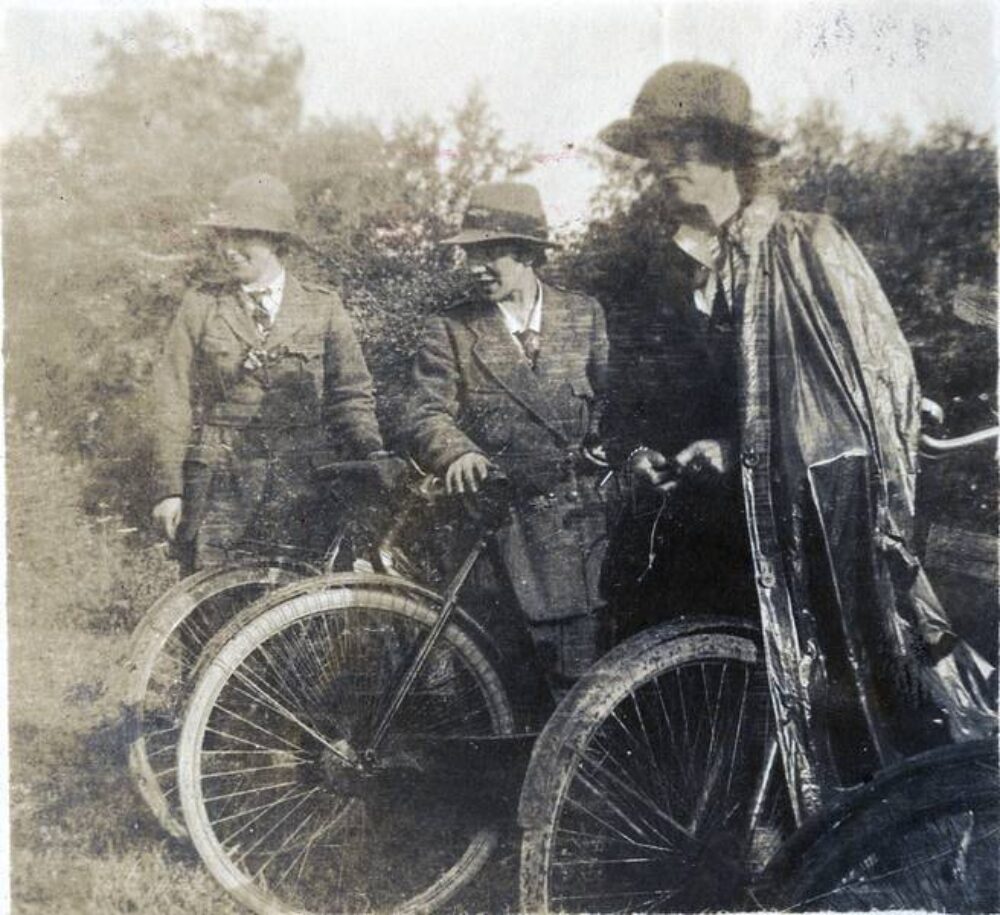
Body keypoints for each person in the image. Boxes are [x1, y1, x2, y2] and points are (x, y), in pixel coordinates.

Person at [599, 62, 995, 818]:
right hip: (696, 535)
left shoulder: (804, 249)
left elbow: (851, 394)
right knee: (695, 709)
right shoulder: (652, 269)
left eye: (688, 145)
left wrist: (732, 444)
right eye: (658, 147)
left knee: (830, 698)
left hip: (799, 532)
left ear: (731, 155)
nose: (667, 163)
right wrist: (642, 450)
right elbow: (635, 394)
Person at [403, 182, 609, 695]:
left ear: (526, 253)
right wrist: (457, 451)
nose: (475, 266)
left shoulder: (584, 316)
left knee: (584, 686)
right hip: (496, 538)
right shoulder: (450, 329)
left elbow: (618, 404)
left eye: (489, 252)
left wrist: (613, 445)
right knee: (500, 686)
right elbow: (426, 412)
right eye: (470, 253)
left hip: (578, 532)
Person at [150, 173, 383, 573]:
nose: (229, 249)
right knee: (213, 609)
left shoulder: (322, 307)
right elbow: (171, 399)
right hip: (219, 487)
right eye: (222, 236)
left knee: (302, 614)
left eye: (243, 237)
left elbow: (351, 397)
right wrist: (170, 490)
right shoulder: (201, 306)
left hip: (304, 488)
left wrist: (371, 463)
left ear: (277, 241)